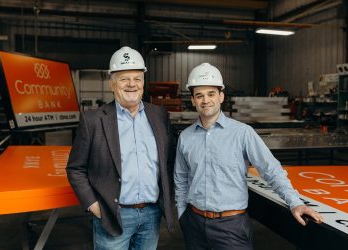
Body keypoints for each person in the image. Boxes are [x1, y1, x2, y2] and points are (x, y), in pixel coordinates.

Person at [174, 62, 323, 250]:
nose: (205, 100)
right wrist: (182, 214)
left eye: (211, 94)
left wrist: (294, 202)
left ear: (221, 96)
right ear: (193, 100)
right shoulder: (186, 137)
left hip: (231, 226)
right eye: (199, 95)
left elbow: (271, 170)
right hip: (194, 224)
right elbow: (180, 179)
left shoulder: (243, 133)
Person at [67, 46, 174, 250]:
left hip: (151, 214)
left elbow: (168, 162)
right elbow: (75, 169)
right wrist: (93, 205)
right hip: (113, 214)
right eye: (124, 78)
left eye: (137, 78)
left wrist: (165, 201)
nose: (131, 84)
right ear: (112, 84)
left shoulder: (159, 116)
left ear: (143, 83)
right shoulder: (93, 121)